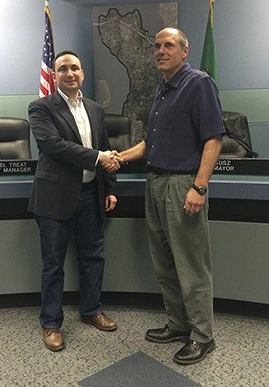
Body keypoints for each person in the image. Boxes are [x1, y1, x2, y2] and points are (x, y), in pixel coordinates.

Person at [116, 28, 225, 365]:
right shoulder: (161, 91)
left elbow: (214, 139)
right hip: (156, 182)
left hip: (183, 185)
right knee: (164, 262)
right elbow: (150, 144)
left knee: (191, 266)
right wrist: (120, 157)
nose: (161, 51)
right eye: (157, 47)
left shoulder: (198, 83)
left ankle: (203, 336)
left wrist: (199, 186)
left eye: (169, 45)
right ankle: (178, 324)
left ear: (185, 51)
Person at [28, 50, 122, 352]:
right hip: (55, 199)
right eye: (63, 69)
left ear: (83, 74)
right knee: (53, 264)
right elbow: (53, 145)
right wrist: (97, 158)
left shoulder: (95, 108)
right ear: (54, 76)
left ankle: (92, 310)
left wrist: (109, 188)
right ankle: (51, 323)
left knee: (93, 257)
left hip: (91, 195)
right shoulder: (40, 107)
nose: (70, 74)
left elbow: (104, 146)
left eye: (75, 69)